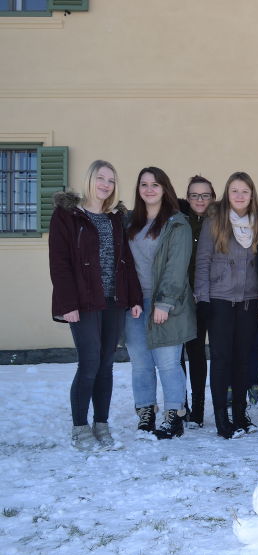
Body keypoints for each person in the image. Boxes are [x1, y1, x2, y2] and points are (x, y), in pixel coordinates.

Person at [49, 160, 142, 450]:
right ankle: (80, 426)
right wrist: (67, 303)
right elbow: (59, 262)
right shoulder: (67, 216)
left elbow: (126, 262)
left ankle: (101, 423)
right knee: (89, 364)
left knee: (105, 365)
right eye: (101, 178)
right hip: (83, 302)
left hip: (113, 301)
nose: (106, 184)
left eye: (111, 180)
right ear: (90, 179)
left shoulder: (115, 218)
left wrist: (135, 298)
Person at [125, 167, 196, 439]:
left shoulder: (177, 223)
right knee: (140, 363)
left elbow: (176, 267)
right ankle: (145, 413)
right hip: (134, 305)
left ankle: (174, 415)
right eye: (144, 184)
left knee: (168, 363)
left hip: (168, 303)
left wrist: (164, 303)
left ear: (165, 189)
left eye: (155, 184)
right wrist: (131, 298)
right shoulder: (130, 222)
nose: (149, 189)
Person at [195, 171, 258, 439]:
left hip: (249, 299)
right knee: (222, 360)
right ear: (227, 193)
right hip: (220, 298)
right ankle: (222, 416)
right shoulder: (215, 220)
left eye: (244, 191)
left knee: (242, 360)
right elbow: (203, 261)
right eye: (234, 190)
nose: (239, 196)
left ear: (251, 194)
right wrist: (203, 298)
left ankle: (240, 413)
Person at [179, 175, 214, 428]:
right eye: (194, 195)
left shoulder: (219, 221)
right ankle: (181, 406)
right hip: (181, 296)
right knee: (178, 353)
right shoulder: (180, 221)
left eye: (205, 195)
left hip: (210, 296)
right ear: (187, 197)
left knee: (198, 352)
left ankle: (199, 408)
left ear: (212, 197)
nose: (199, 200)